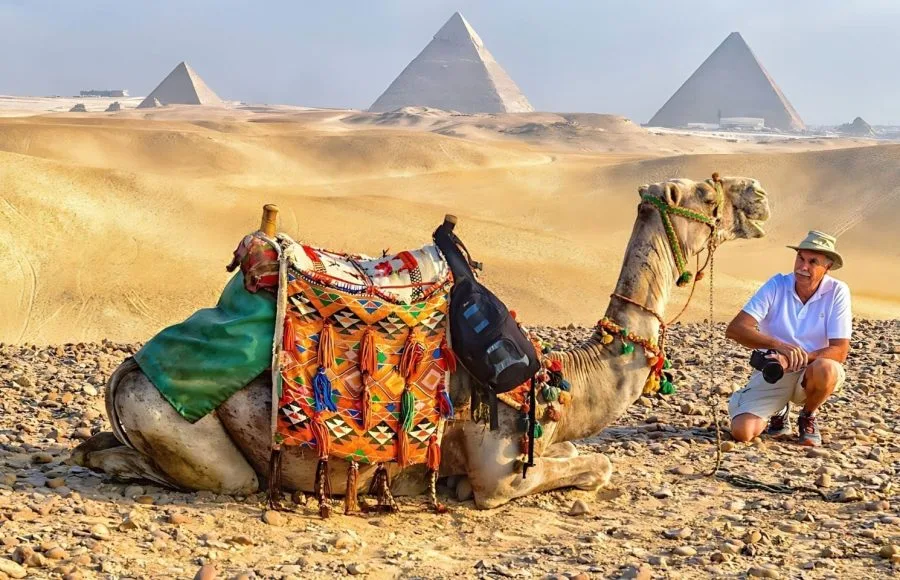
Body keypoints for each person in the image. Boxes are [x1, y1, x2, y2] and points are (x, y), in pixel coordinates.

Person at [725, 230, 851, 447]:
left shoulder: (837, 291)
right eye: (800, 258)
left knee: (828, 369)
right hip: (774, 371)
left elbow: (840, 350)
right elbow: (735, 329)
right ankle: (777, 409)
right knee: (742, 433)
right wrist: (779, 347)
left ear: (827, 267)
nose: (803, 267)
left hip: (811, 373)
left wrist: (798, 358)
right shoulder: (776, 285)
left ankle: (808, 416)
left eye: (813, 262)